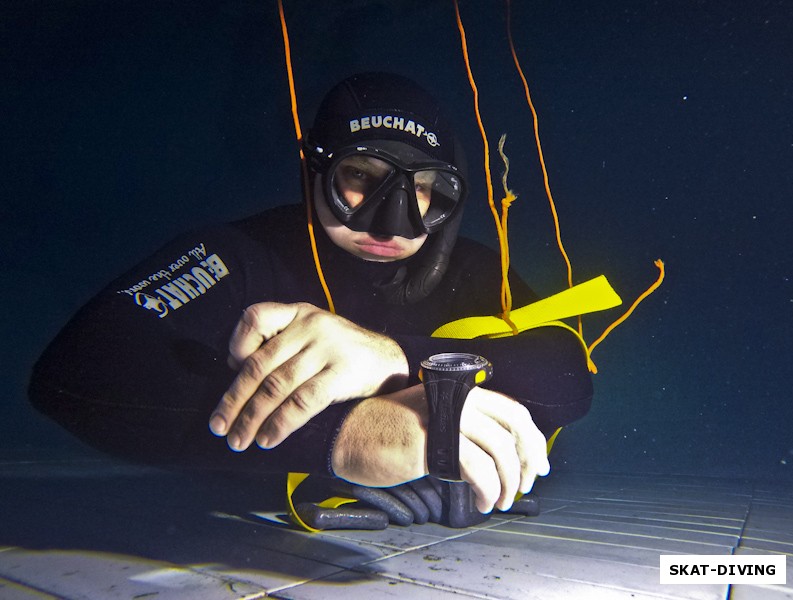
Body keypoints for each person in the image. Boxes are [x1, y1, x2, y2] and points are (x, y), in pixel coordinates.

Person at [29, 72, 592, 521]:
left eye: (422, 189)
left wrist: (393, 358)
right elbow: (76, 372)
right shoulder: (244, 253)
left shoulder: (471, 269)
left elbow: (567, 372)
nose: (393, 223)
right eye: (361, 177)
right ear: (314, 171)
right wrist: (345, 439)